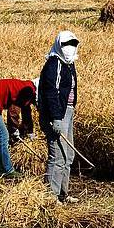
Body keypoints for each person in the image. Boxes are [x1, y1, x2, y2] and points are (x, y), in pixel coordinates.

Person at [38, 30, 79, 202]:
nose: (69, 48)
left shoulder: (69, 64)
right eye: (66, 44)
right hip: (57, 115)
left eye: (73, 44)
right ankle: (51, 197)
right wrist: (55, 117)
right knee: (57, 155)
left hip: (67, 111)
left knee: (68, 154)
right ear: (58, 45)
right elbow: (51, 93)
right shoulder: (54, 64)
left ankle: (63, 193)